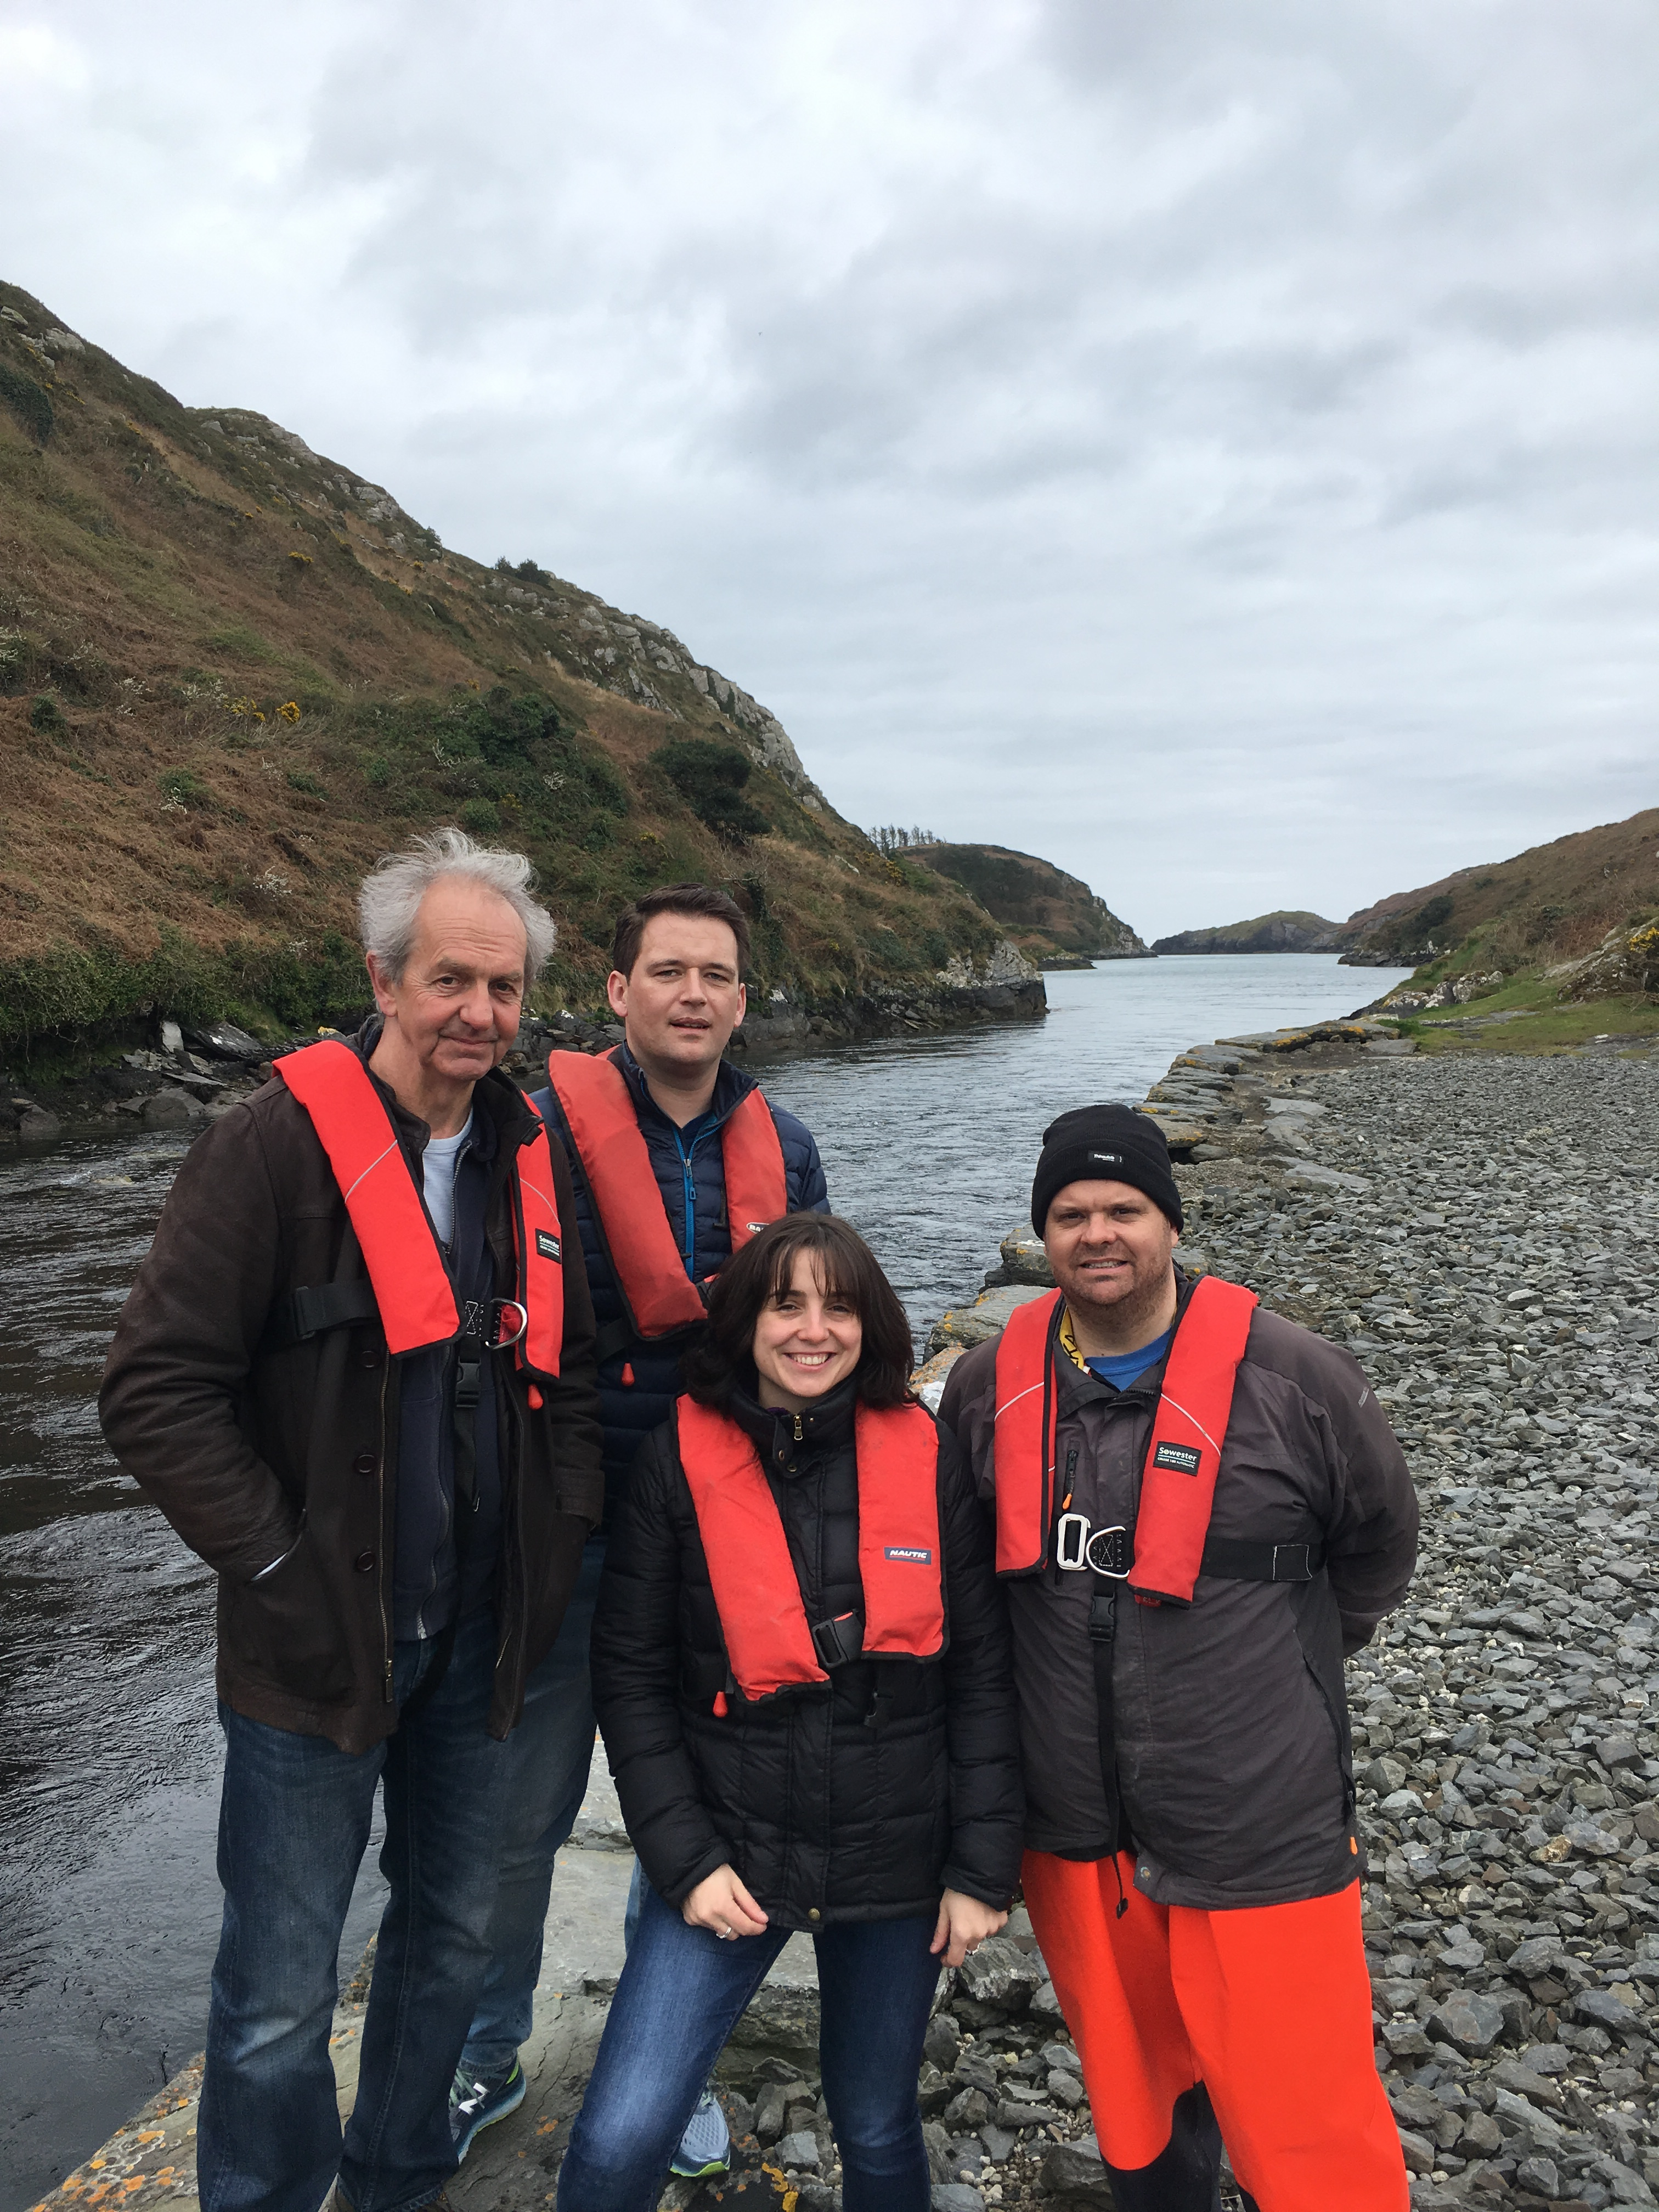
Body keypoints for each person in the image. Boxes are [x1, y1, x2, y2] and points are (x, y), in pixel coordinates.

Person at [99, 828, 604, 2212]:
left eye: (503, 990)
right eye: (451, 981)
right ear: (382, 981)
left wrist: (554, 1557)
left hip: (482, 1645)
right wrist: (278, 1564)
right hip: (312, 1654)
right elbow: (152, 1392)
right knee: (275, 1989)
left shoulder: (528, 1159)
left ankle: (397, 2186)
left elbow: (564, 1382)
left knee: (449, 1944)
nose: (480, 1016)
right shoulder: (267, 1150)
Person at [938, 1103, 1419, 2212]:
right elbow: (965, 1594)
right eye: (1069, 1214)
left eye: (1125, 1209)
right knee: (1137, 2103)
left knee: (1310, 2120)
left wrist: (1294, 1662)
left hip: (1257, 1822)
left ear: (1170, 1221)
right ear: (1043, 1235)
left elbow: (1380, 1542)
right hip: (1076, 1834)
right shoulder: (983, 1387)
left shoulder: (1295, 1375)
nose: (1098, 1234)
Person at [450, 883, 827, 2169]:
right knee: (519, 1814)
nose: (692, 995)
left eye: (716, 974)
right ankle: (484, 2052)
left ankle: (669, 2069)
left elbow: (811, 1344)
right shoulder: (532, 1134)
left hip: (727, 1538)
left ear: (740, 996)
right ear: (616, 993)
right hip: (566, 1532)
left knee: (706, 1814)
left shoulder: (793, 1146)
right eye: (666, 971)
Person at [556, 1214, 1023, 2212]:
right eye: (786, 1306)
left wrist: (982, 1869)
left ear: (872, 1326)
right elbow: (632, 1679)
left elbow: (984, 1675)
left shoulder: (929, 1457)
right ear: (744, 1326)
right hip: (731, 1849)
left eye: (840, 1307)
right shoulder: (674, 1466)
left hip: (898, 1864)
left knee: (879, 2124)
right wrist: (685, 1860)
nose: (813, 1331)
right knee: (619, 2137)